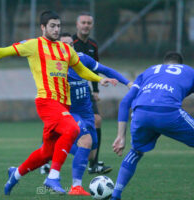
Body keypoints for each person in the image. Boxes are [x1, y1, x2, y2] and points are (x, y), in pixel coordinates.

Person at [0, 11, 116, 195]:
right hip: (47, 102)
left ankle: (15, 174)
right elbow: (1, 51)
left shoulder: (66, 49)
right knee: (73, 129)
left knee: (46, 152)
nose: (56, 29)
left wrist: (99, 79)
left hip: (63, 105)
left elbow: (81, 69)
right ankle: (53, 177)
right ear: (43, 27)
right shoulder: (34, 45)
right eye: (52, 26)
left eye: (58, 26)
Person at [110, 52, 194, 200]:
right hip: (168, 112)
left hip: (141, 113)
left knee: (135, 151)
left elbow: (125, 103)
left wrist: (120, 136)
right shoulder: (189, 71)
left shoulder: (148, 71)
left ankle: (116, 194)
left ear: (164, 63)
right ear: (180, 64)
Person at [59, 33, 132, 196]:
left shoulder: (82, 59)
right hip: (69, 112)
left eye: (70, 44)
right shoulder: (54, 65)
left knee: (91, 152)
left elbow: (105, 69)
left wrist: (127, 82)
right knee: (86, 142)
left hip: (86, 111)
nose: (68, 47)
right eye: (64, 44)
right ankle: (76, 186)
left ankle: (54, 147)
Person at [73, 12, 109, 173]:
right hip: (69, 88)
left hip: (86, 88)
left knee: (97, 120)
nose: (86, 25)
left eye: (89, 23)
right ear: (77, 25)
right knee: (58, 124)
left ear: (92, 25)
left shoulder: (93, 45)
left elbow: (95, 68)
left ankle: (93, 164)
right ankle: (46, 160)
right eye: (83, 23)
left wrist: (95, 90)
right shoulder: (71, 43)